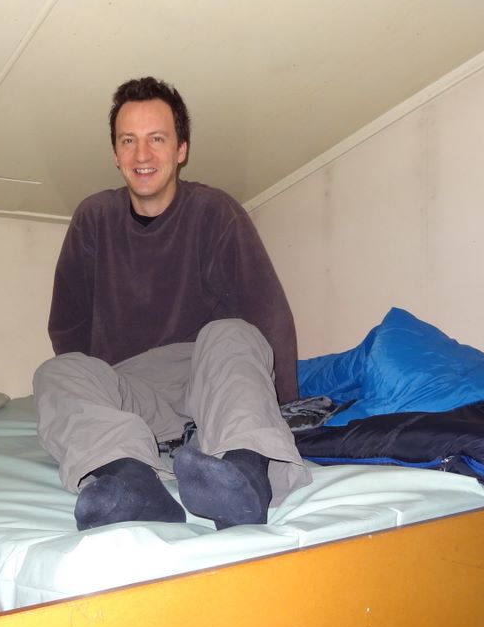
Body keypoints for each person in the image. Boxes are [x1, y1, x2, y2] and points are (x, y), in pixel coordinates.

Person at [33, 76, 311, 531]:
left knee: (233, 333)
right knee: (55, 372)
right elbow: (67, 326)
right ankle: (133, 483)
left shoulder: (216, 212)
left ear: (181, 149)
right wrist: (98, 395)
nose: (142, 155)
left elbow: (268, 314)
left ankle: (243, 476)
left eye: (156, 139)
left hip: (208, 382)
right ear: (115, 153)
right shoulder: (93, 218)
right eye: (129, 141)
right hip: (129, 393)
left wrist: (282, 406)